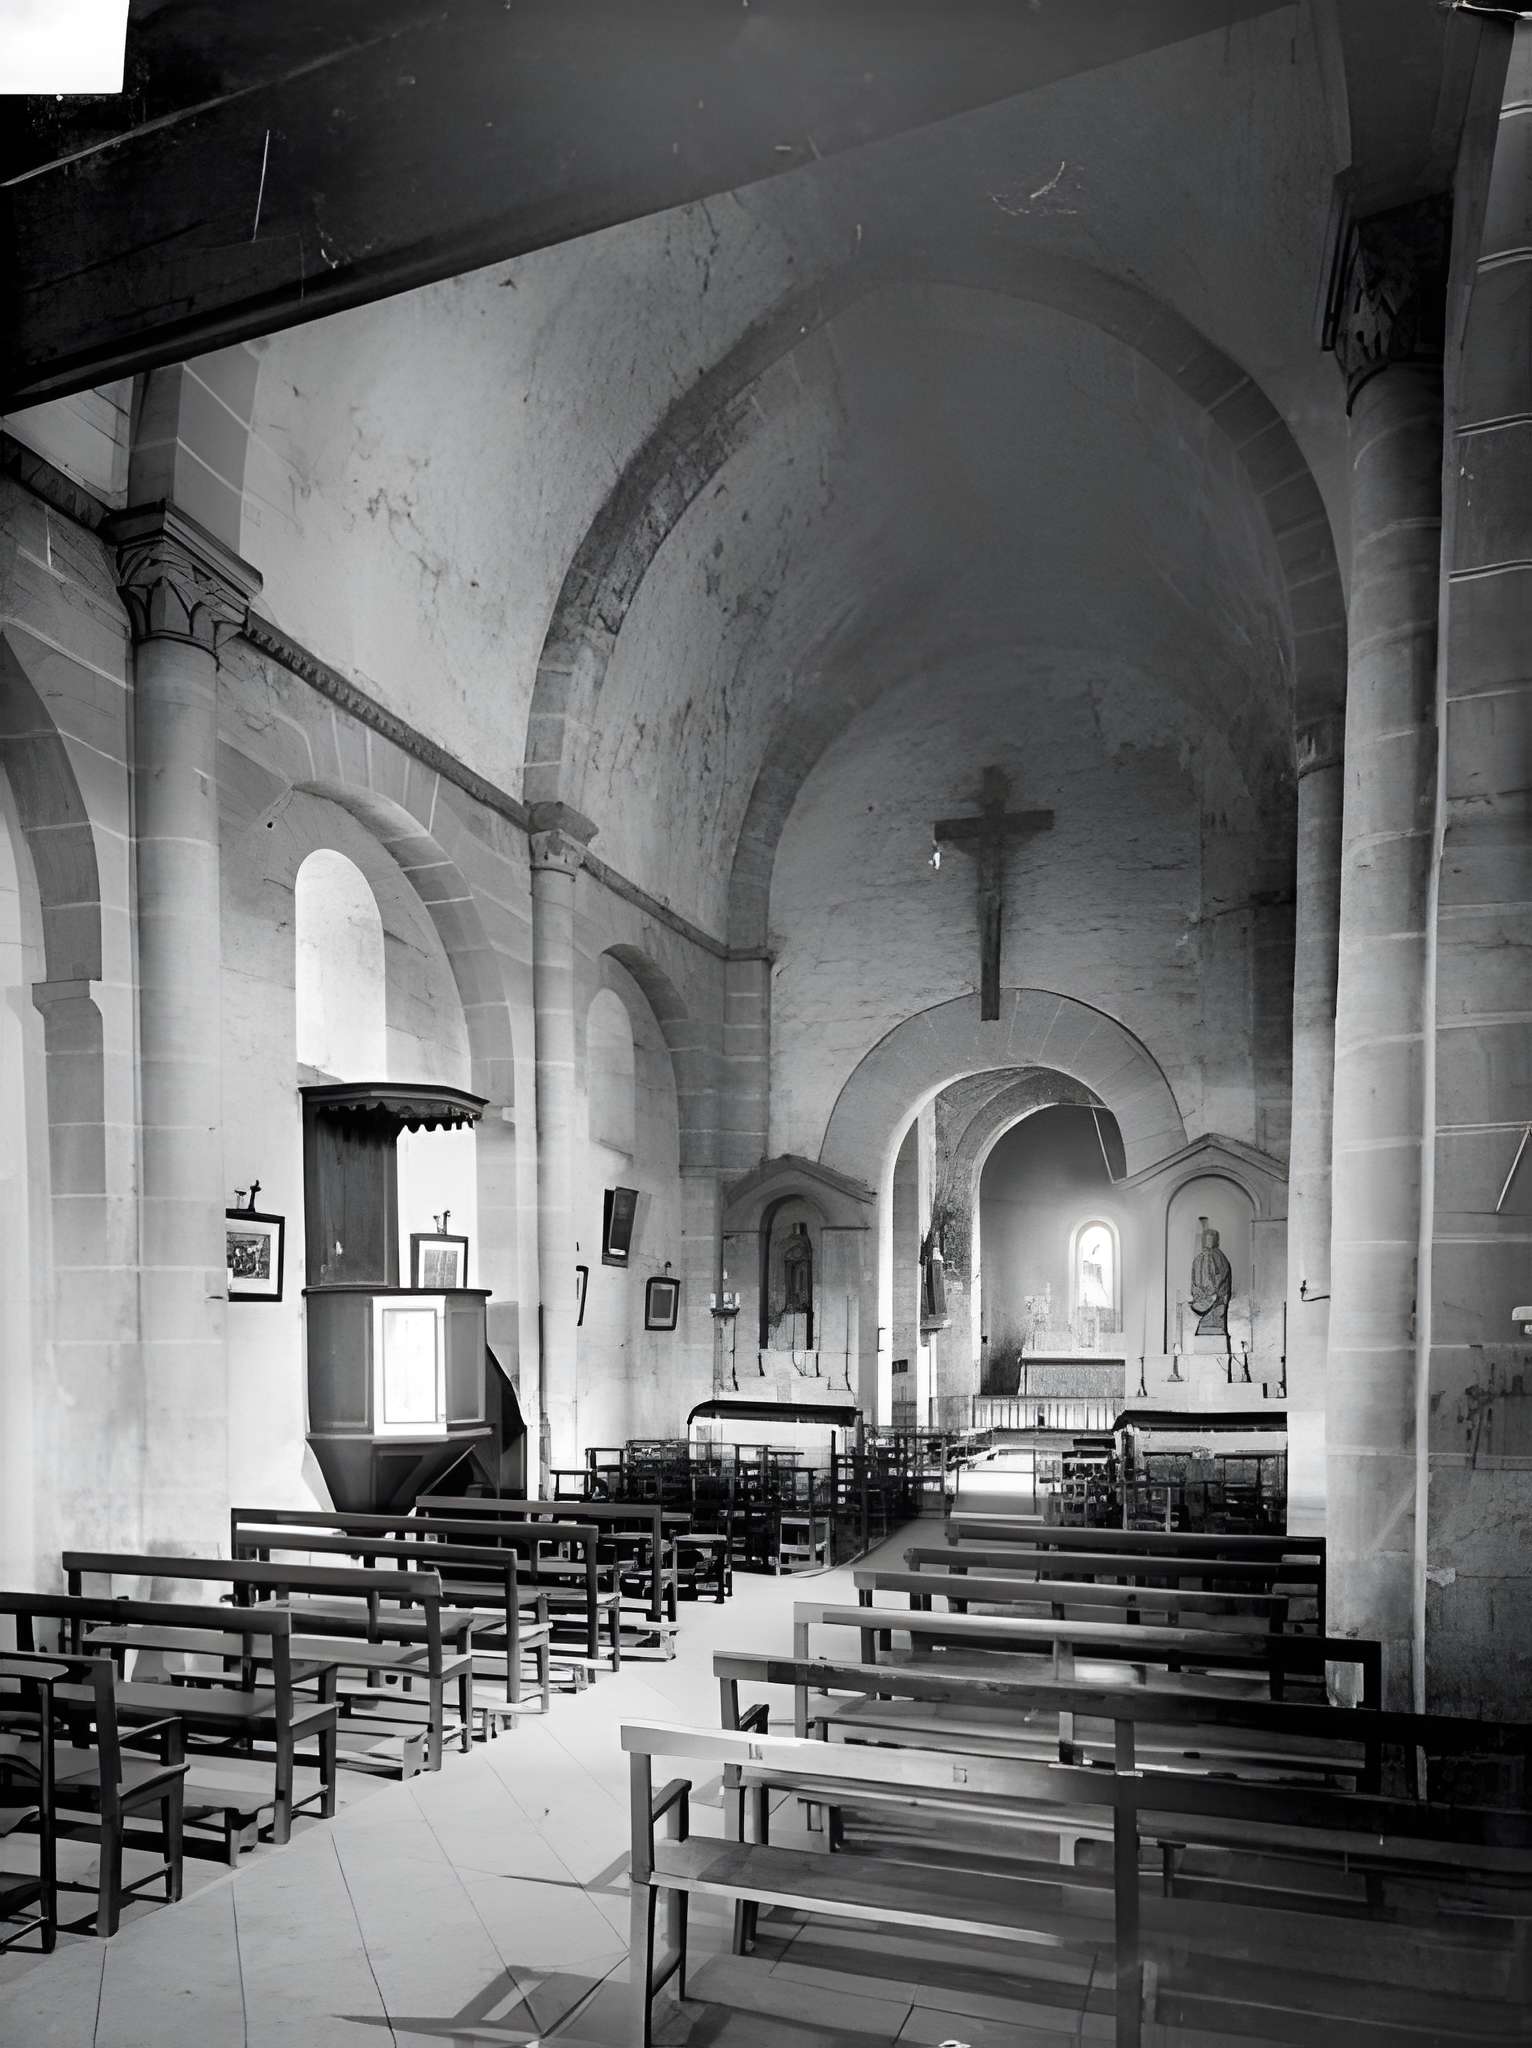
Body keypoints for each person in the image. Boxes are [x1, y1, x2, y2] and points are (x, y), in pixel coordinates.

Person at [1190, 1219, 1232, 1337]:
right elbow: (1194, 1279)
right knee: (1205, 1316)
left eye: (1211, 1239)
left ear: (1216, 1241)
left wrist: (1213, 1292)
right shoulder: (1199, 1259)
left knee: (1216, 1316)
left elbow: (1223, 1277)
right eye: (1206, 1238)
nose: (1208, 1242)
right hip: (1204, 1298)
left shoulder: (1220, 1258)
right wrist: (1199, 1292)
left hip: (1216, 1299)